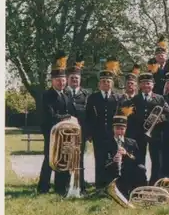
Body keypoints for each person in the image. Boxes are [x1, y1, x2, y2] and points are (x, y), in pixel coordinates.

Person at [37, 51, 77, 195]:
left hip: (65, 134)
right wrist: (67, 117)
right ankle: (43, 188)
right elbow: (50, 115)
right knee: (49, 160)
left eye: (63, 80)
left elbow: (73, 112)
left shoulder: (66, 95)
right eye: (58, 80)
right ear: (52, 81)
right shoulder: (47, 96)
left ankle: (61, 188)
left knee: (64, 159)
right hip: (51, 133)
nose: (61, 83)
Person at [124, 71, 169, 185]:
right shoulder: (134, 100)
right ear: (140, 85)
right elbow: (129, 119)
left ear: (153, 85)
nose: (146, 86)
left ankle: (154, 182)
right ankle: (141, 181)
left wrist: (161, 118)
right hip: (139, 135)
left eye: (148, 83)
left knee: (156, 160)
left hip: (155, 134)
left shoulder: (160, 98)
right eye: (143, 83)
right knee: (140, 159)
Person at [85, 57, 123, 190]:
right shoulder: (93, 98)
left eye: (108, 81)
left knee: (114, 159)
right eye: (103, 82)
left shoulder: (118, 97)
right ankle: (100, 185)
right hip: (98, 134)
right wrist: (89, 133)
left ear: (112, 83)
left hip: (113, 135)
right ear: (99, 84)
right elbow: (88, 117)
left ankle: (114, 186)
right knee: (100, 160)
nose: (106, 84)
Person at [105, 112, 147, 199]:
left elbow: (139, 159)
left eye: (122, 129)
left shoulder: (132, 142)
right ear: (113, 128)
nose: (120, 132)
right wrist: (113, 160)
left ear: (126, 129)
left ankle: (138, 192)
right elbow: (102, 161)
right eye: (117, 129)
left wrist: (127, 154)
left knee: (141, 168)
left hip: (128, 171)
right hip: (113, 171)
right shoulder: (107, 143)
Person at [65, 55, 89, 194]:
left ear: (80, 79)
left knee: (79, 160)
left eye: (77, 78)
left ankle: (80, 186)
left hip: (81, 133)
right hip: (66, 133)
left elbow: (90, 115)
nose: (74, 80)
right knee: (66, 159)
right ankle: (64, 186)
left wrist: (88, 132)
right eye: (72, 78)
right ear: (68, 79)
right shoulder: (64, 93)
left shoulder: (86, 94)